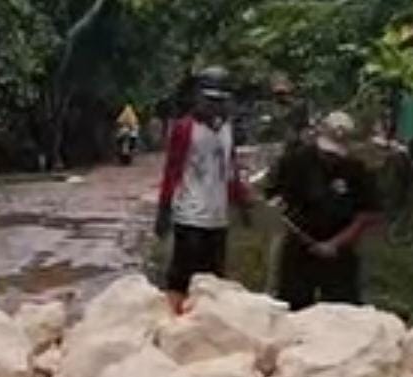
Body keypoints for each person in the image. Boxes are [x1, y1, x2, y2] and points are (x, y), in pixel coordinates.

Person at [265, 110, 383, 311]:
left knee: (343, 309)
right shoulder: (296, 162)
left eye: (335, 154)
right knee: (291, 305)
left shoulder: (356, 170)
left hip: (340, 248)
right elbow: (275, 196)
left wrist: (335, 244)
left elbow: (367, 214)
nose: (330, 158)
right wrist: (277, 209)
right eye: (326, 153)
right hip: (300, 244)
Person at [155, 66, 251, 313]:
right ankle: (174, 319)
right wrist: (163, 211)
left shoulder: (227, 130)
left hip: (218, 218)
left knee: (213, 278)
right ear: (197, 98)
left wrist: (241, 203)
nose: (214, 106)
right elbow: (172, 171)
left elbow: (230, 170)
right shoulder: (185, 129)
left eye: (219, 102)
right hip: (190, 215)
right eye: (208, 100)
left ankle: (204, 322)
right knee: (181, 275)